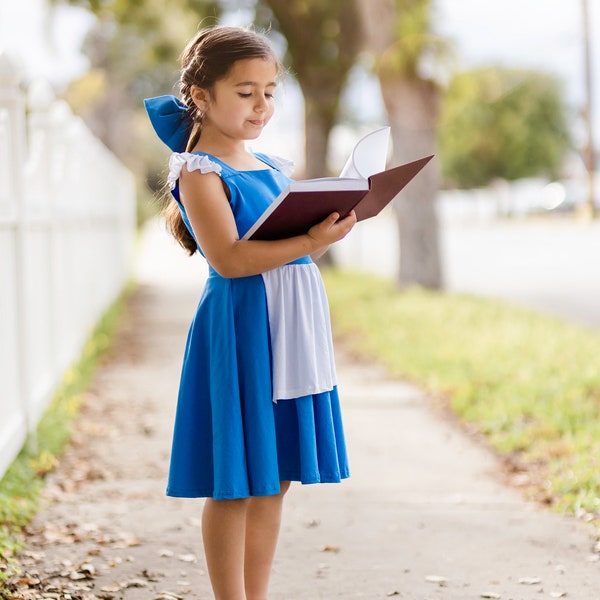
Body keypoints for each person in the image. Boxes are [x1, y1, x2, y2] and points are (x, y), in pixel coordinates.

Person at [144, 24, 356, 600]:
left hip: (291, 328)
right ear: (202, 96)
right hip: (243, 328)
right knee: (236, 480)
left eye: (270, 90)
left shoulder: (270, 164)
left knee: (275, 477)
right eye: (245, 92)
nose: (261, 105)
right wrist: (314, 243)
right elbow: (232, 259)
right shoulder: (199, 171)